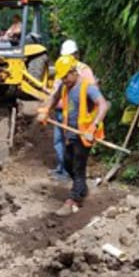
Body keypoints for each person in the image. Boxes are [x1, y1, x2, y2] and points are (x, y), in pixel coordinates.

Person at [38, 58, 110, 216]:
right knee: (67, 162)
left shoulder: (87, 87)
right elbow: (55, 97)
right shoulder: (65, 87)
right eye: (62, 78)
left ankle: (73, 200)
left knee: (78, 166)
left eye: (66, 77)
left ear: (74, 72)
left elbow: (103, 105)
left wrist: (93, 126)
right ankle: (81, 188)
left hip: (85, 135)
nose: (64, 80)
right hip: (70, 134)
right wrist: (45, 110)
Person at [47, 41, 98, 181]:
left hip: (76, 114)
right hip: (61, 112)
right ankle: (62, 169)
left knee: (72, 145)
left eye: (69, 55)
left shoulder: (83, 70)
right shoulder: (62, 66)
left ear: (76, 55)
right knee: (58, 141)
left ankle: (73, 176)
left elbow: (93, 94)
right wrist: (47, 108)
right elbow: (57, 92)